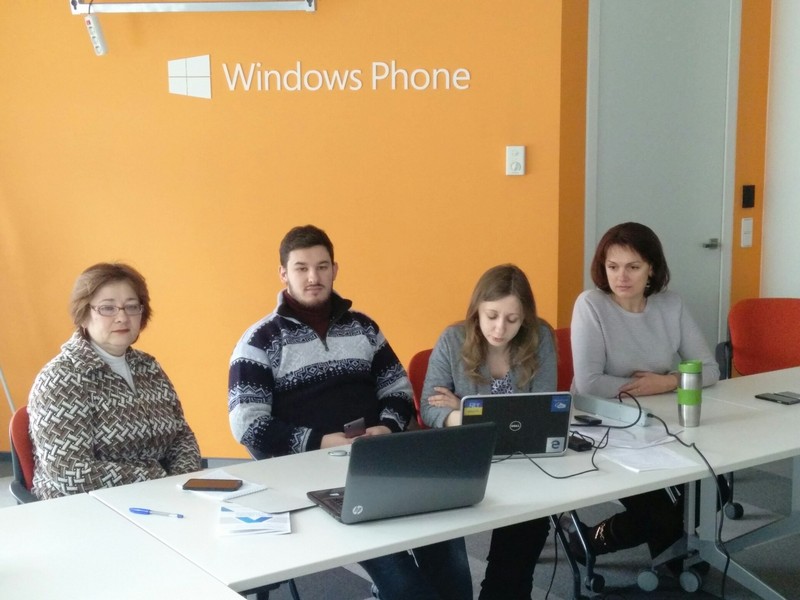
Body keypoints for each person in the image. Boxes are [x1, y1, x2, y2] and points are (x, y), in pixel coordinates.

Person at [227, 224, 472, 600]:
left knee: (450, 557)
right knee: (405, 584)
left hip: (379, 460)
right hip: (311, 477)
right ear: (283, 274)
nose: (313, 277)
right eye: (302, 268)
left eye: (322, 267)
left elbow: (398, 390)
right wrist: (321, 441)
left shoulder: (364, 328)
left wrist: (387, 428)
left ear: (335, 270)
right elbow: (247, 424)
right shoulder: (260, 341)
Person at [569, 221, 720, 563]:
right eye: (613, 267)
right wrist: (653, 386)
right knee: (660, 512)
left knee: (717, 489)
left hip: (662, 422)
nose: (621, 277)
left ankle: (665, 550)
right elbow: (590, 383)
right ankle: (594, 541)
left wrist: (667, 382)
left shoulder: (671, 305)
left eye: (633, 267)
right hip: (602, 425)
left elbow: (710, 369)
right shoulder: (591, 304)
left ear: (652, 268)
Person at [420, 264, 557, 600]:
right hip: (465, 459)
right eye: (492, 316)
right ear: (476, 310)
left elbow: (541, 409)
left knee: (531, 520)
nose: (500, 328)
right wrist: (468, 417)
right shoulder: (453, 340)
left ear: (525, 318)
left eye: (512, 319)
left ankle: (500, 589)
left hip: (522, 458)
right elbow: (429, 408)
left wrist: (465, 407)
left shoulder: (540, 337)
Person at [28, 262, 202, 500]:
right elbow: (70, 473)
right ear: (83, 315)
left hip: (160, 496)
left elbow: (181, 437)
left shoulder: (148, 367)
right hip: (83, 506)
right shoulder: (61, 378)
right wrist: (158, 480)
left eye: (131, 307)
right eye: (107, 308)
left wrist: (183, 482)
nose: (122, 317)